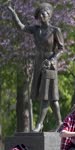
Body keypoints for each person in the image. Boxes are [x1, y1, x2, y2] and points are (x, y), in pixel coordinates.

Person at [7, 2, 64, 132]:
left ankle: (40, 124)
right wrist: (13, 13)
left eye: (44, 13)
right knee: (51, 97)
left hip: (49, 64)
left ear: (49, 15)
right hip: (38, 63)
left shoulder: (55, 30)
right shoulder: (35, 29)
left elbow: (61, 49)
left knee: (47, 95)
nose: (42, 16)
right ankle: (60, 122)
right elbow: (21, 27)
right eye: (40, 14)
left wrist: (52, 60)